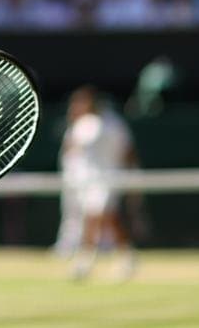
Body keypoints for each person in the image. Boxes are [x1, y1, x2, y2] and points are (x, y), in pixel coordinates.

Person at [57, 86, 139, 281]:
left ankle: (85, 262)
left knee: (97, 217)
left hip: (109, 178)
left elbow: (127, 151)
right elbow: (70, 152)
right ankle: (127, 257)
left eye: (82, 102)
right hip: (84, 182)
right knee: (107, 219)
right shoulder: (79, 125)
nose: (78, 106)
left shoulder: (112, 124)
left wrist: (129, 176)